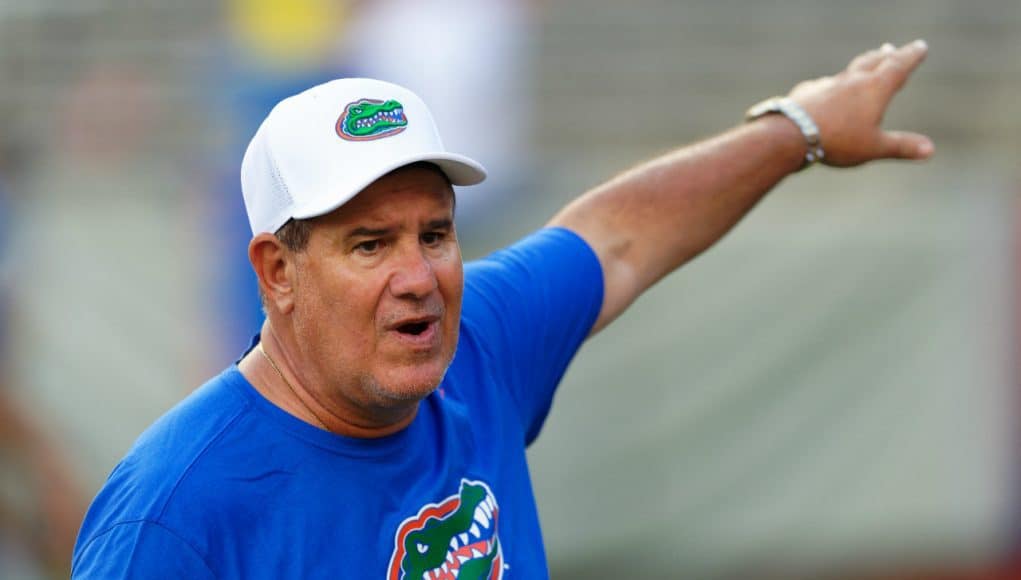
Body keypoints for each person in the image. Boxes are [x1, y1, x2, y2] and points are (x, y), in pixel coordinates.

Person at [71, 40, 933, 578]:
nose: (419, 277)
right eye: (369, 244)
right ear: (277, 272)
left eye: (435, 234)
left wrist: (799, 131)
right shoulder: (174, 513)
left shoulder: (471, 343)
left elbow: (620, 236)